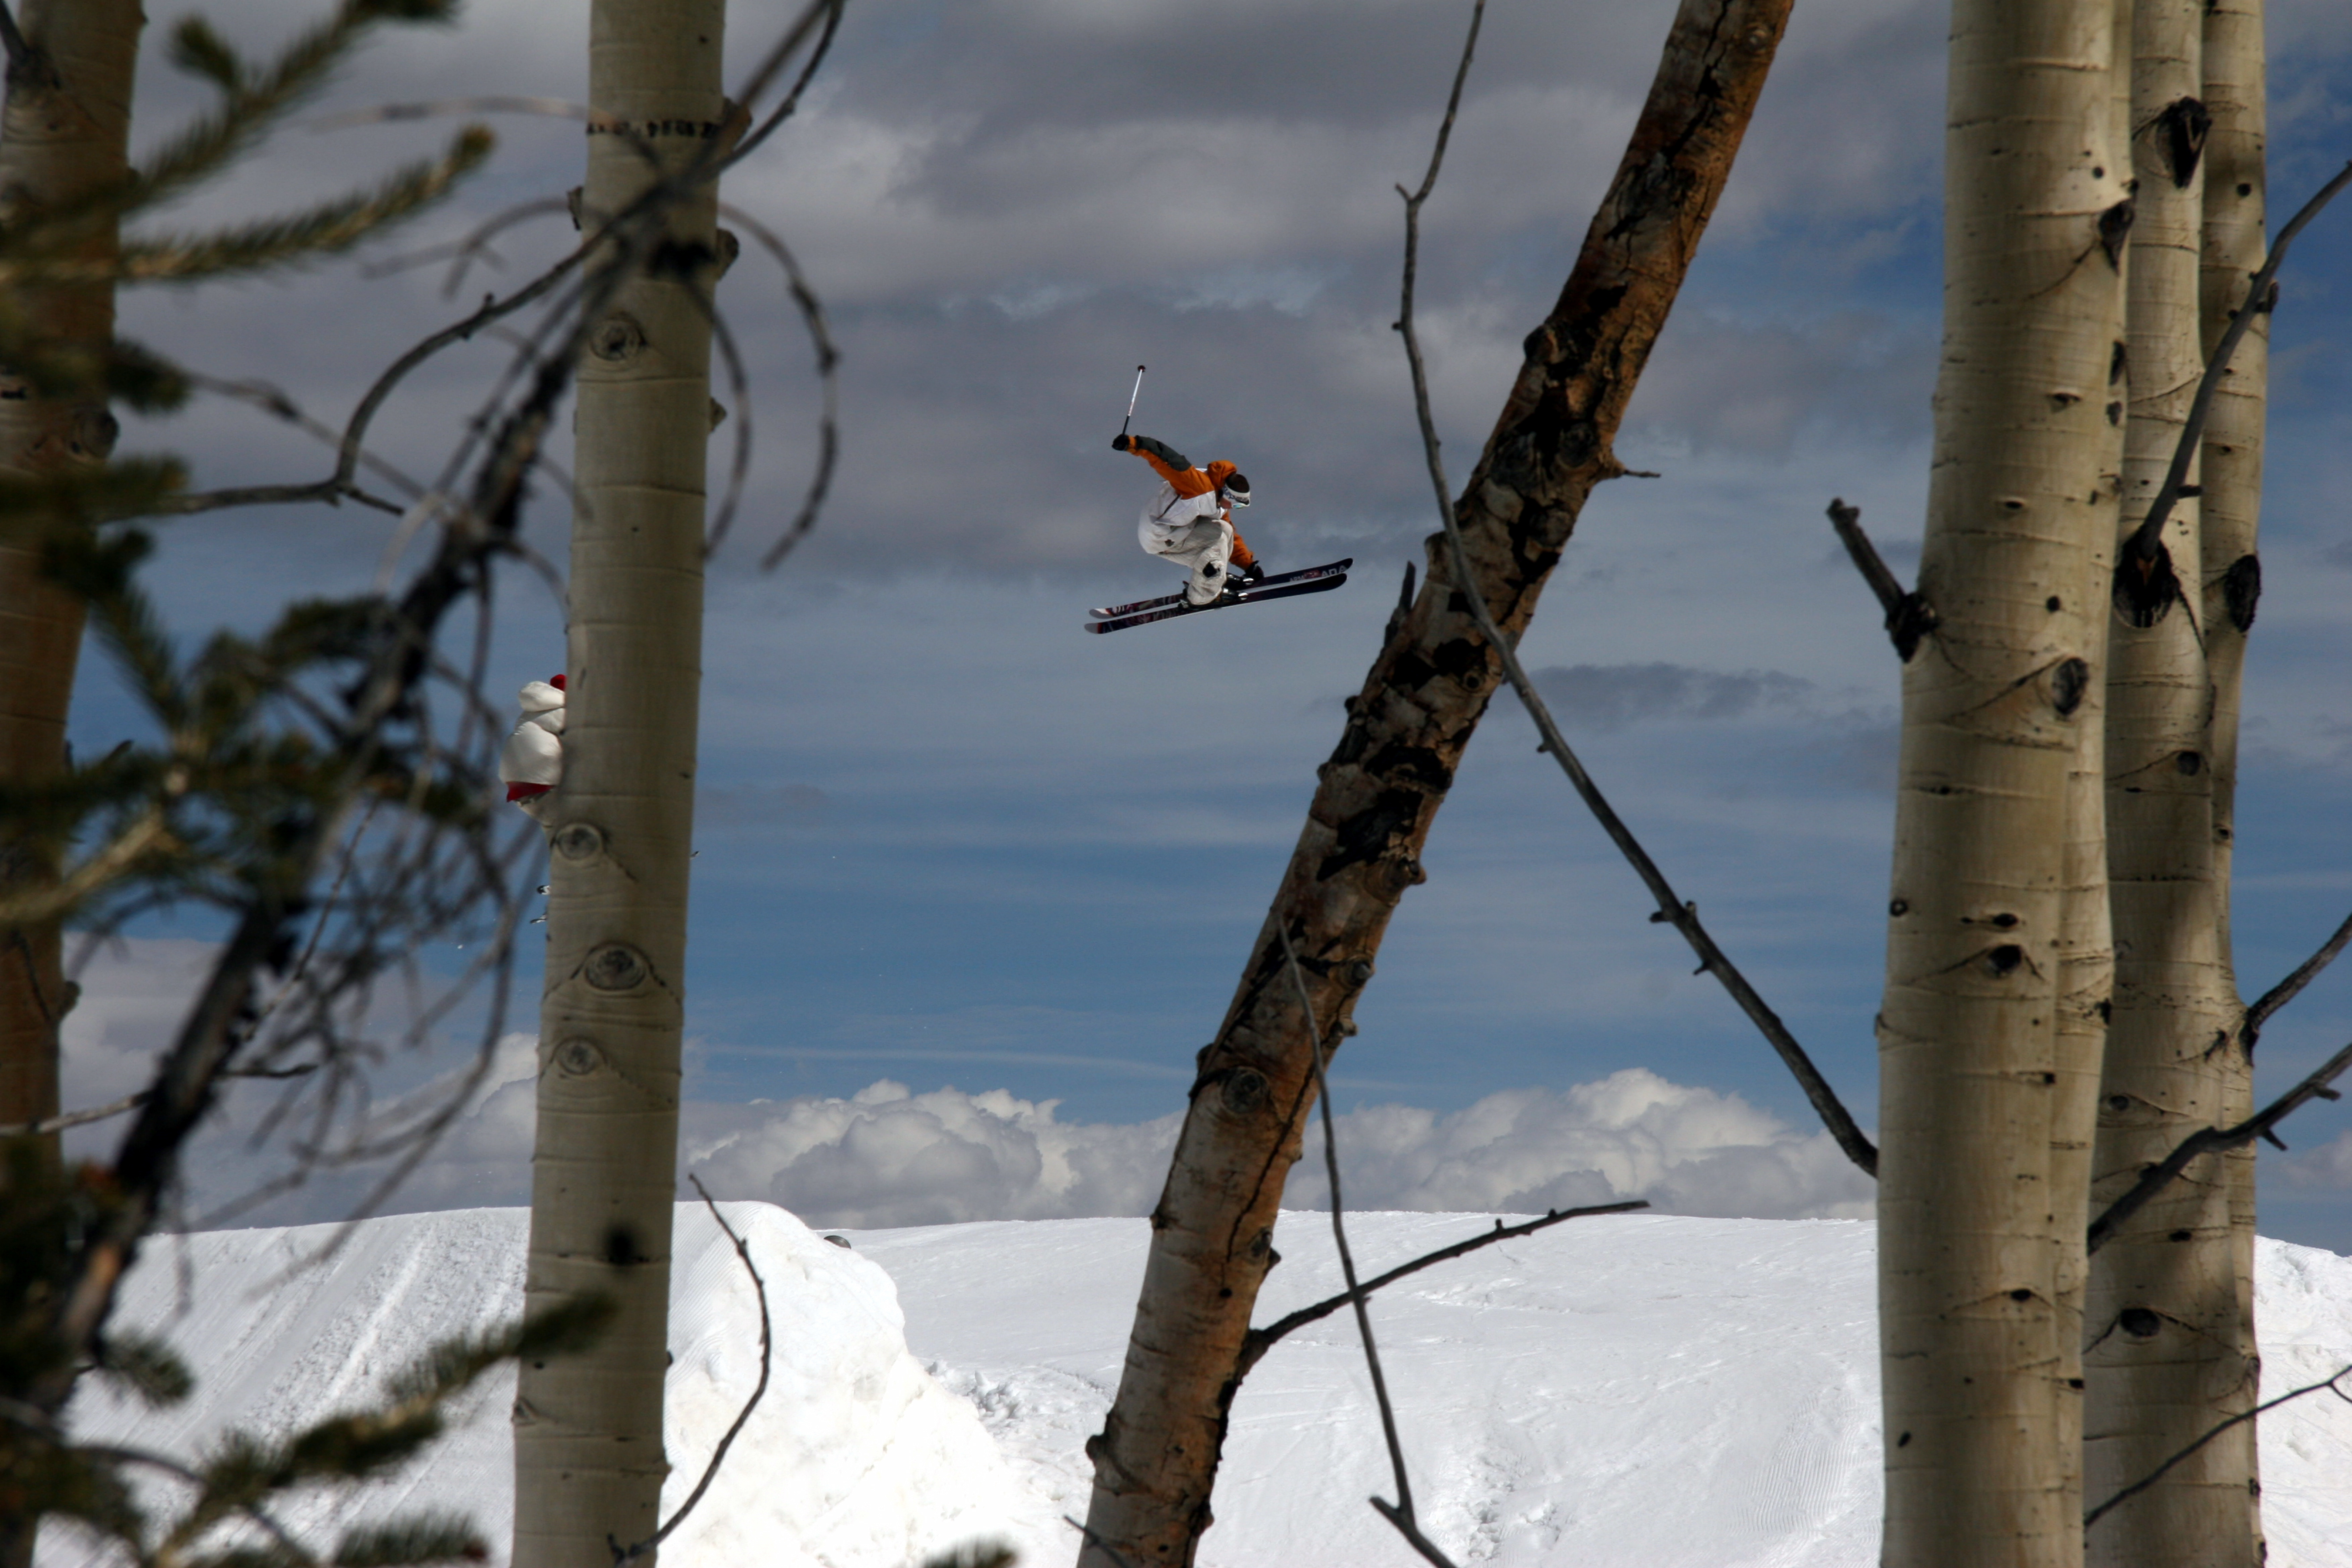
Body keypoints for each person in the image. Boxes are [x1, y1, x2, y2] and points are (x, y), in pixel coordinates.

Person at [1112, 432, 1263, 605]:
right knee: (1217, 540)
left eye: (1240, 507)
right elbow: (1168, 460)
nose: (1232, 508)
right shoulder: (1197, 485)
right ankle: (1202, 597)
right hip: (1160, 535)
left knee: (1225, 530)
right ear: (1226, 492)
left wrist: (1249, 565)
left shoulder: (1219, 504)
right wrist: (1133, 444)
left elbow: (1231, 536)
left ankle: (1214, 577)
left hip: (1180, 532)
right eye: (1235, 504)